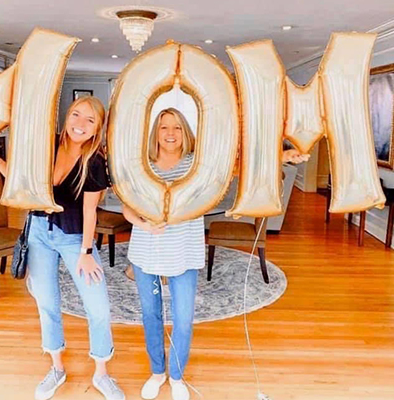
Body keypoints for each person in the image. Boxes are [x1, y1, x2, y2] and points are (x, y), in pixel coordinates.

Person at [123, 108, 308, 400]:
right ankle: (158, 372)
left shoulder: (199, 166)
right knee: (151, 315)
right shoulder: (142, 166)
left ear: (186, 133)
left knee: (183, 318)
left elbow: (241, 167)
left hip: (184, 250)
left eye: (177, 128)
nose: (170, 133)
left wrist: (282, 157)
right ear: (154, 133)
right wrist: (143, 223)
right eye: (163, 128)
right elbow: (127, 206)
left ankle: (177, 376)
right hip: (147, 249)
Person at [0, 96, 124, 400]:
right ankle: (57, 367)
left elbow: (89, 212)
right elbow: (23, 186)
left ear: (98, 128)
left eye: (90, 120)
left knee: (98, 306)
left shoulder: (95, 161)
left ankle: (101, 373)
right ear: (66, 117)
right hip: (38, 235)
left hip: (74, 238)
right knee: (47, 302)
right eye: (76, 115)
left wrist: (86, 252)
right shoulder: (46, 147)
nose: (80, 124)